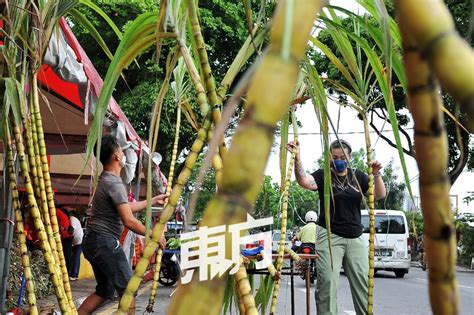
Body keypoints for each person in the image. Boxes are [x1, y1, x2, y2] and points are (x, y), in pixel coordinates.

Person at [287, 139, 386, 315]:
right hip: (330, 235)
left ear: (350, 157)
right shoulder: (323, 175)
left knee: (363, 284)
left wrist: (376, 174)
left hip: (356, 236)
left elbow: (379, 194)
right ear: (329, 157)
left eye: (342, 157)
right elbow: (304, 181)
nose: (338, 160)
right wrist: (297, 158)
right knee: (327, 284)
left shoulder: (359, 176)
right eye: (334, 157)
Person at [78, 135, 168, 315]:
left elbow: (126, 208)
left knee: (105, 290)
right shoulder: (113, 182)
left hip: (94, 241)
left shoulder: (107, 180)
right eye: (121, 149)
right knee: (129, 290)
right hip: (104, 242)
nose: (124, 153)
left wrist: (152, 201)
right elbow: (129, 220)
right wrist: (153, 234)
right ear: (117, 156)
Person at [56, 207, 74, 275]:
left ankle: (67, 272)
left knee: (67, 255)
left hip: (66, 236)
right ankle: (67, 271)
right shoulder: (62, 214)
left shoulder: (56, 211)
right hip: (68, 236)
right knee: (68, 255)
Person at [69, 210, 84, 281]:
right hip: (76, 241)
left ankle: (74, 275)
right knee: (75, 257)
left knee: (76, 257)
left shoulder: (72, 219)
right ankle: (74, 274)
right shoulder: (74, 219)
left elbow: (71, 230)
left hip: (79, 241)